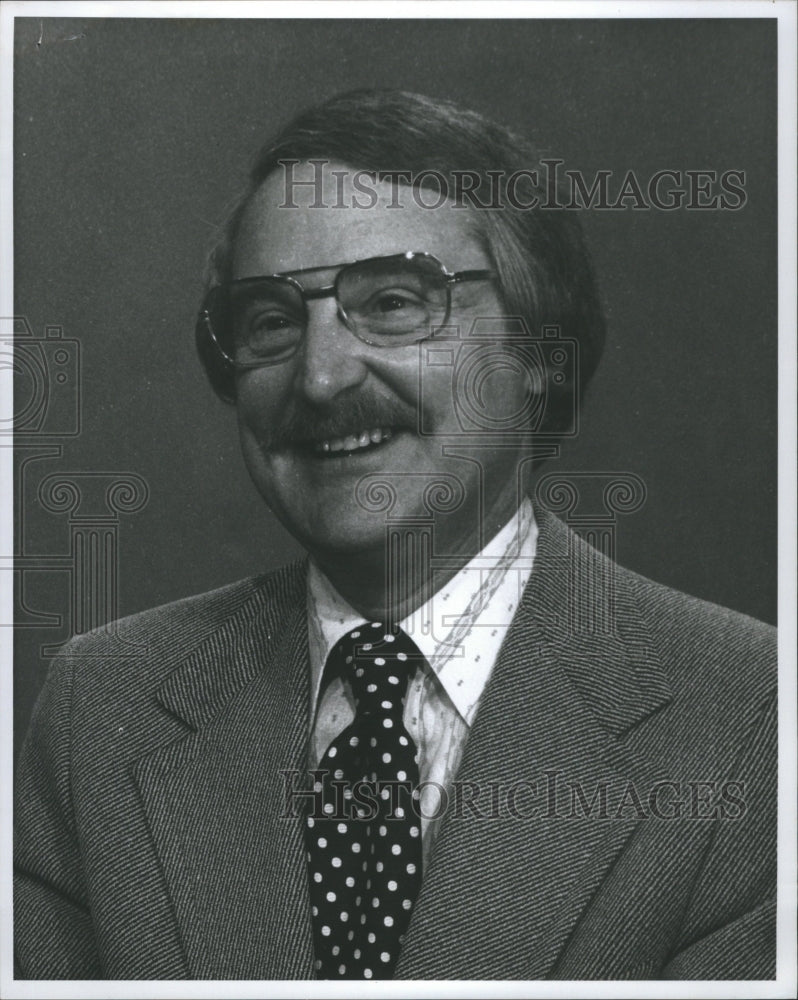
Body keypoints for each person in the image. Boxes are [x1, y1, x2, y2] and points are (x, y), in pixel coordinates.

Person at [14, 90, 776, 981]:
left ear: (537, 351)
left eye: (395, 302)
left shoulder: (751, 719)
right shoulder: (101, 708)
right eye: (269, 319)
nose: (323, 374)